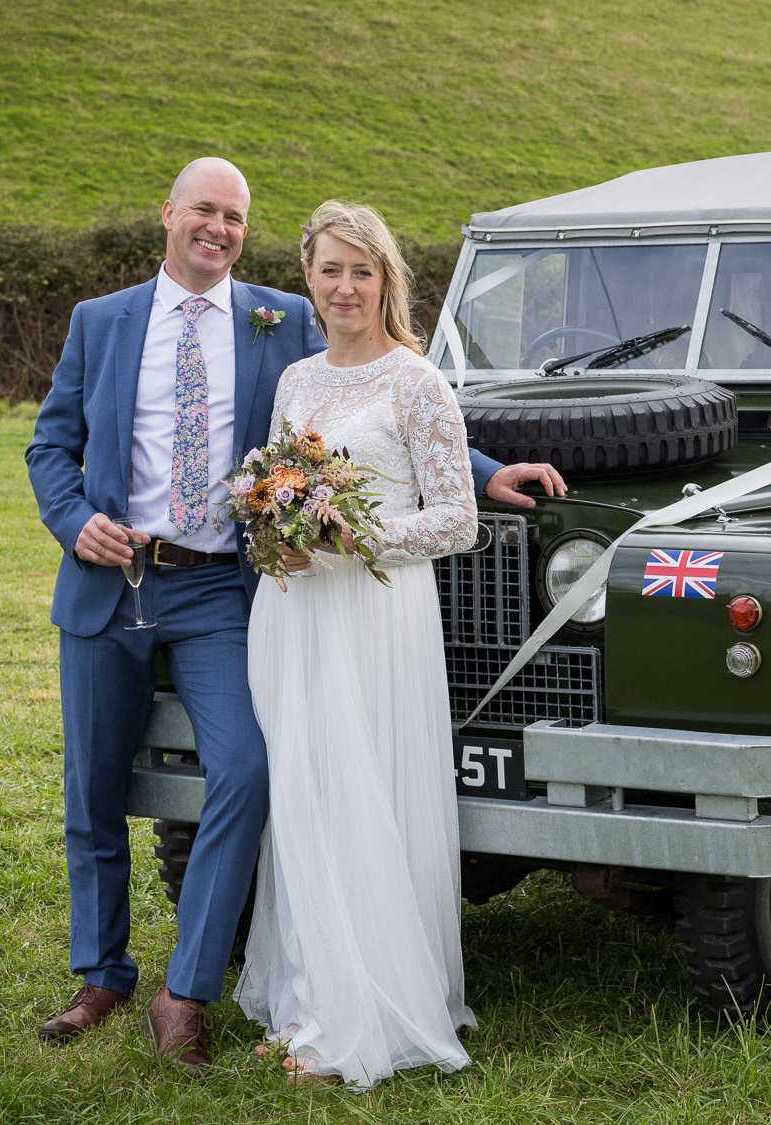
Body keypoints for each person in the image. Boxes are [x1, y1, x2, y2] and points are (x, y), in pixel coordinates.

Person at [24, 159, 565, 1072]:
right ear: (169, 214)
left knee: (246, 768)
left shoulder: (275, 317)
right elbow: (50, 444)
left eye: (234, 216)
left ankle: (184, 991)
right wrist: (77, 524)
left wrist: (486, 470)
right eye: (204, 210)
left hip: (217, 590)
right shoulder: (100, 321)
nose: (218, 227)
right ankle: (100, 973)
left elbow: (381, 397)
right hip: (110, 587)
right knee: (93, 791)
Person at [232, 200, 478, 1087]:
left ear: (387, 282)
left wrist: (353, 539)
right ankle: (307, 1000)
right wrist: (279, 532)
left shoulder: (417, 382)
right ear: (309, 278)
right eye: (330, 270)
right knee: (302, 793)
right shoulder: (296, 379)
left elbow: (458, 519)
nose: (345, 287)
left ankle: (362, 1017)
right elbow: (272, 486)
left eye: (361, 271)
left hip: (375, 617)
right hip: (294, 610)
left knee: (363, 793)